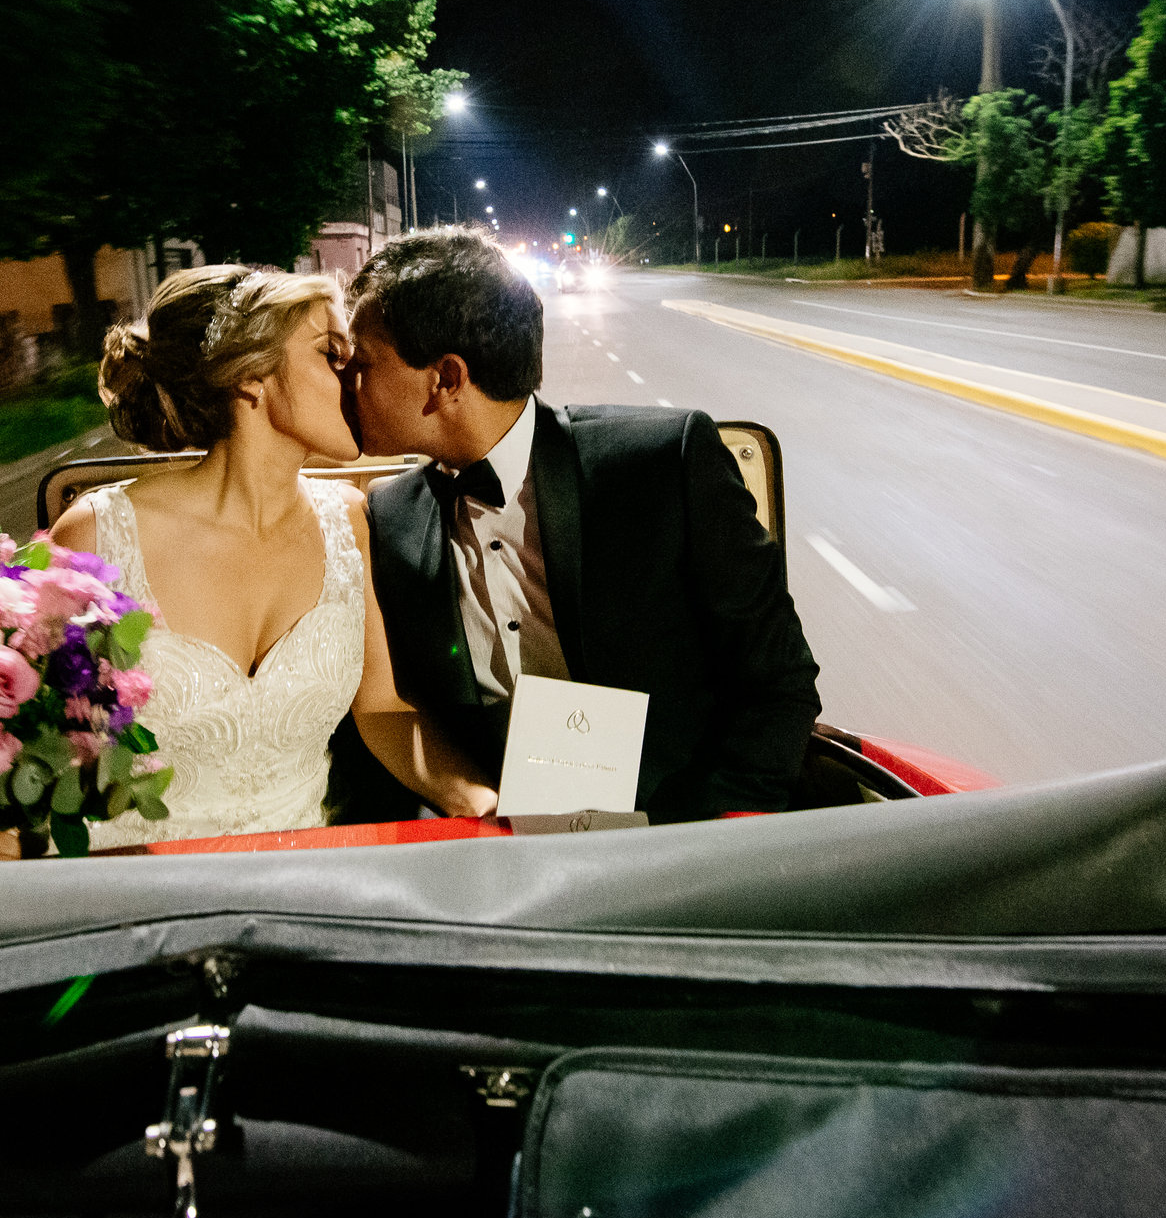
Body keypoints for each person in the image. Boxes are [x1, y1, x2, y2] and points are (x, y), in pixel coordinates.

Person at [341, 228, 822, 824]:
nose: (347, 386)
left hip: (682, 830)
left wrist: (714, 834)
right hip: (494, 848)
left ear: (446, 378)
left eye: (361, 364)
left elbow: (779, 680)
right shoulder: (390, 514)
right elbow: (399, 707)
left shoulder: (658, 464)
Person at [47, 265, 485, 848]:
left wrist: (483, 798)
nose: (355, 376)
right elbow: (41, 743)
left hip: (292, 887)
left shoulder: (348, 522)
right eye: (331, 354)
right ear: (251, 376)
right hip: (131, 892)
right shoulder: (94, 536)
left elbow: (381, 709)